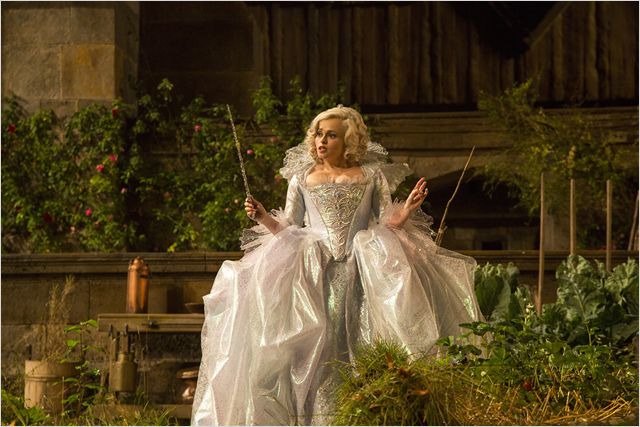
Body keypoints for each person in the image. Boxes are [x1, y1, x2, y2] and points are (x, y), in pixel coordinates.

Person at [192, 106, 482, 426]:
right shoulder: (303, 178)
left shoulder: (370, 176)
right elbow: (290, 228)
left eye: (331, 135)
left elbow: (386, 223)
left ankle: (360, 415)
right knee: (315, 345)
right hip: (313, 270)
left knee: (360, 338)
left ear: (348, 140)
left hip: (361, 267)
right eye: (318, 134)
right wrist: (263, 217)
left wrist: (408, 209)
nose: (322, 140)